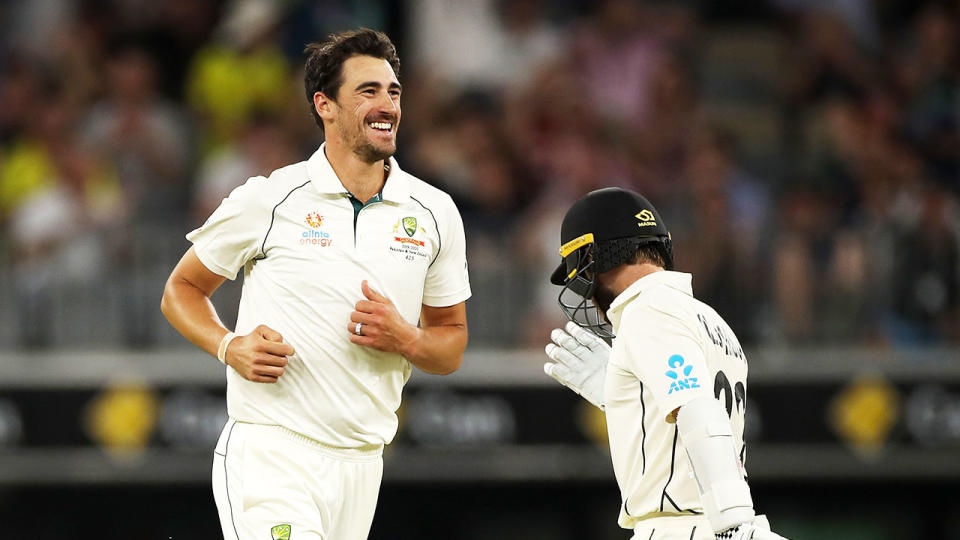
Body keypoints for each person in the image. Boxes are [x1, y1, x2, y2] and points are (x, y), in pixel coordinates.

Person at [161, 28, 471, 540]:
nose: (387, 104)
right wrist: (229, 346)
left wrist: (408, 338)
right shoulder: (271, 198)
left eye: (393, 91)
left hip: (363, 464)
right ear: (324, 105)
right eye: (368, 91)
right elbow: (182, 289)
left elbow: (451, 342)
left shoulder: (435, 212)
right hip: (272, 453)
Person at [543, 187, 787, 540]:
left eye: (581, 277)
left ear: (595, 258)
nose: (587, 293)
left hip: (684, 529)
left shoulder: (649, 309)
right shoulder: (711, 320)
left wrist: (732, 522)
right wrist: (622, 397)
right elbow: (682, 424)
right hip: (706, 523)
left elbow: (698, 410)